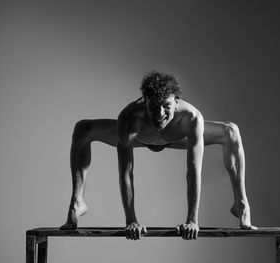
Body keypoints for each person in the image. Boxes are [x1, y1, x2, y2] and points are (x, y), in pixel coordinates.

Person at [60, 71, 257, 240]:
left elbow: (193, 171)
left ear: (176, 101)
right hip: (141, 137)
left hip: (178, 138)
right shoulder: (129, 117)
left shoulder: (191, 117)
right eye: (153, 107)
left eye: (166, 106)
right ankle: (77, 203)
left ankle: (241, 205)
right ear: (144, 101)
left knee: (231, 131)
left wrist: (192, 220)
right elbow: (126, 173)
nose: (159, 113)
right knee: (82, 129)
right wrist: (131, 221)